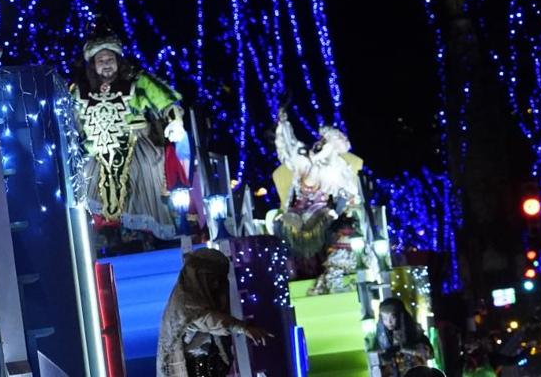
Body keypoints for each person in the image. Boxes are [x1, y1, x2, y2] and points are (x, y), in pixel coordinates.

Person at [70, 25, 185, 246]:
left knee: (141, 169)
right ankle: (103, 234)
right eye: (101, 60)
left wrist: (175, 121)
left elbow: (165, 100)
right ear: (93, 64)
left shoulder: (137, 82)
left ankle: (144, 233)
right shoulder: (79, 91)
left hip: (135, 141)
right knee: (85, 177)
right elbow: (69, 120)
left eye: (110, 59)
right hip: (96, 146)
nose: (106, 64)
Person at [273, 107, 364, 284]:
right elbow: (288, 145)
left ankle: (323, 271)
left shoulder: (333, 169)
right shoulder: (300, 162)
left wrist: (338, 210)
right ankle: (297, 273)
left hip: (320, 213)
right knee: (284, 227)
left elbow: (348, 191)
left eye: (323, 144)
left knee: (325, 231)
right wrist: (283, 125)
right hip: (299, 211)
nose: (317, 146)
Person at [156, 247, 270, 377]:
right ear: (199, 276)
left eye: (219, 280)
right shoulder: (184, 301)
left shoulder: (198, 299)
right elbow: (205, 319)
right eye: (211, 279)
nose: (216, 285)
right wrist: (241, 327)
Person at [373, 297, 434, 377]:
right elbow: (376, 362)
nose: (389, 322)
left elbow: (430, 354)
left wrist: (407, 348)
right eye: (385, 318)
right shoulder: (380, 339)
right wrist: (385, 357)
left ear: (400, 316)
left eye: (392, 317)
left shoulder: (415, 333)